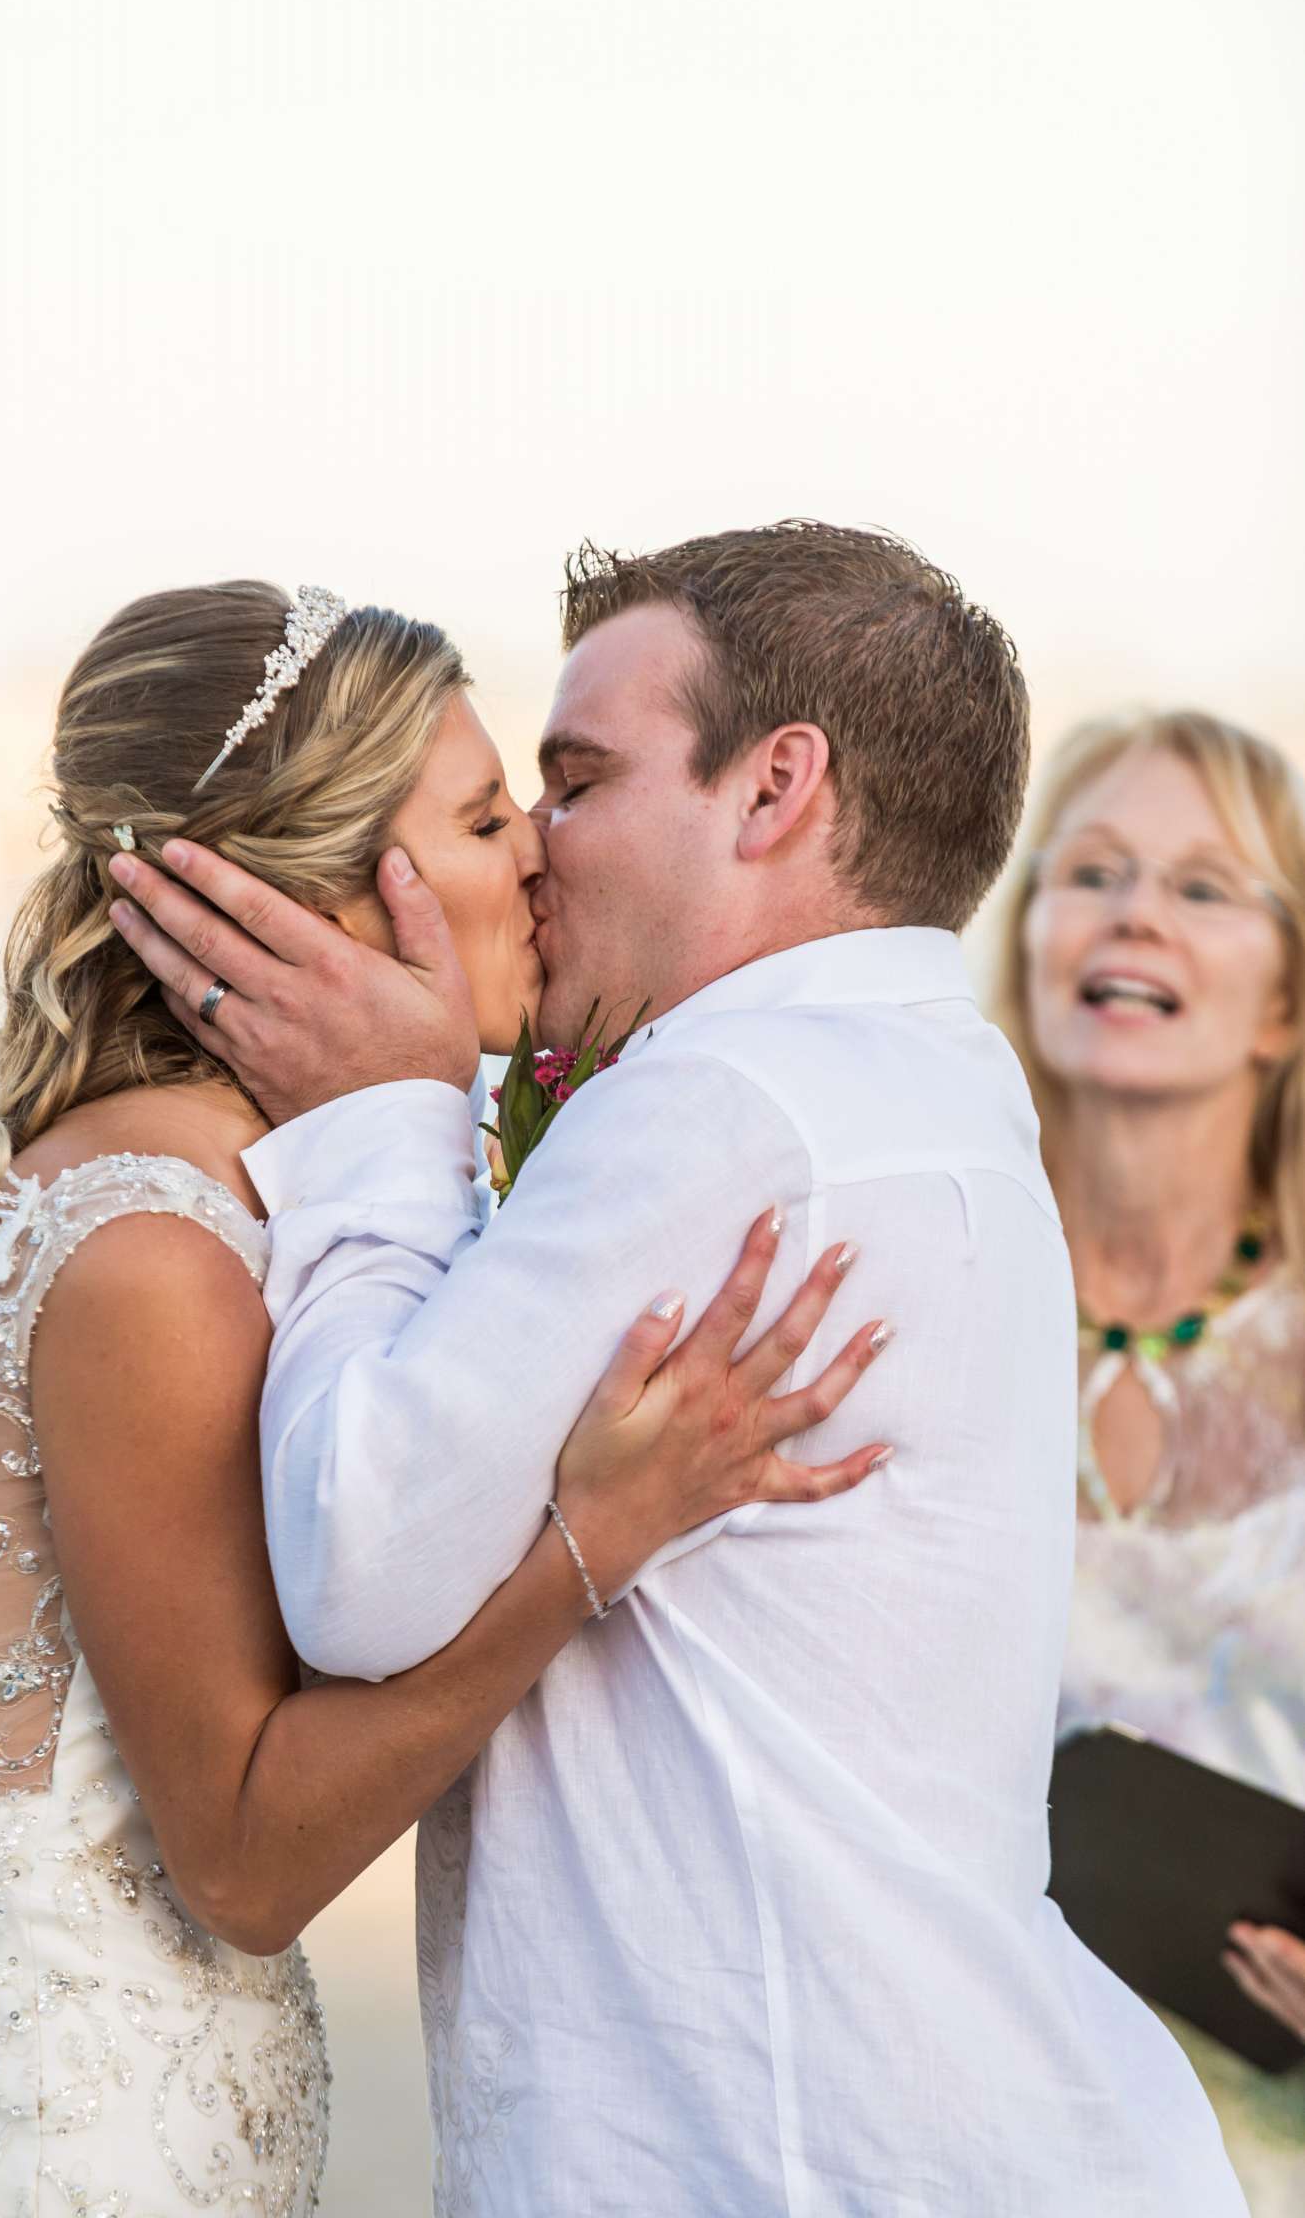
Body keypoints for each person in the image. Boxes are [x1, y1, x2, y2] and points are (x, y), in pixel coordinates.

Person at [112, 521, 1248, 2216]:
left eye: (572, 782)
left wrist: (382, 1123)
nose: (534, 855)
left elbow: (358, 1573)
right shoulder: (936, 1083)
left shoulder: (728, 1103)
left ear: (774, 787)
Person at [0, 581, 893, 2217]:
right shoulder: (151, 1253)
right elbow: (242, 1859)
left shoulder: (68, 1197)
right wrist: (594, 1541)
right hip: (79, 2158)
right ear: (321, 890)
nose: (535, 857)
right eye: (489, 815)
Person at [993, 706, 1305, 2212]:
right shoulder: (924, 1292)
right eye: (1093, 871)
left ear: (1284, 1004)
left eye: (1199, 887)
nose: (1130, 912)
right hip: (948, 2124)